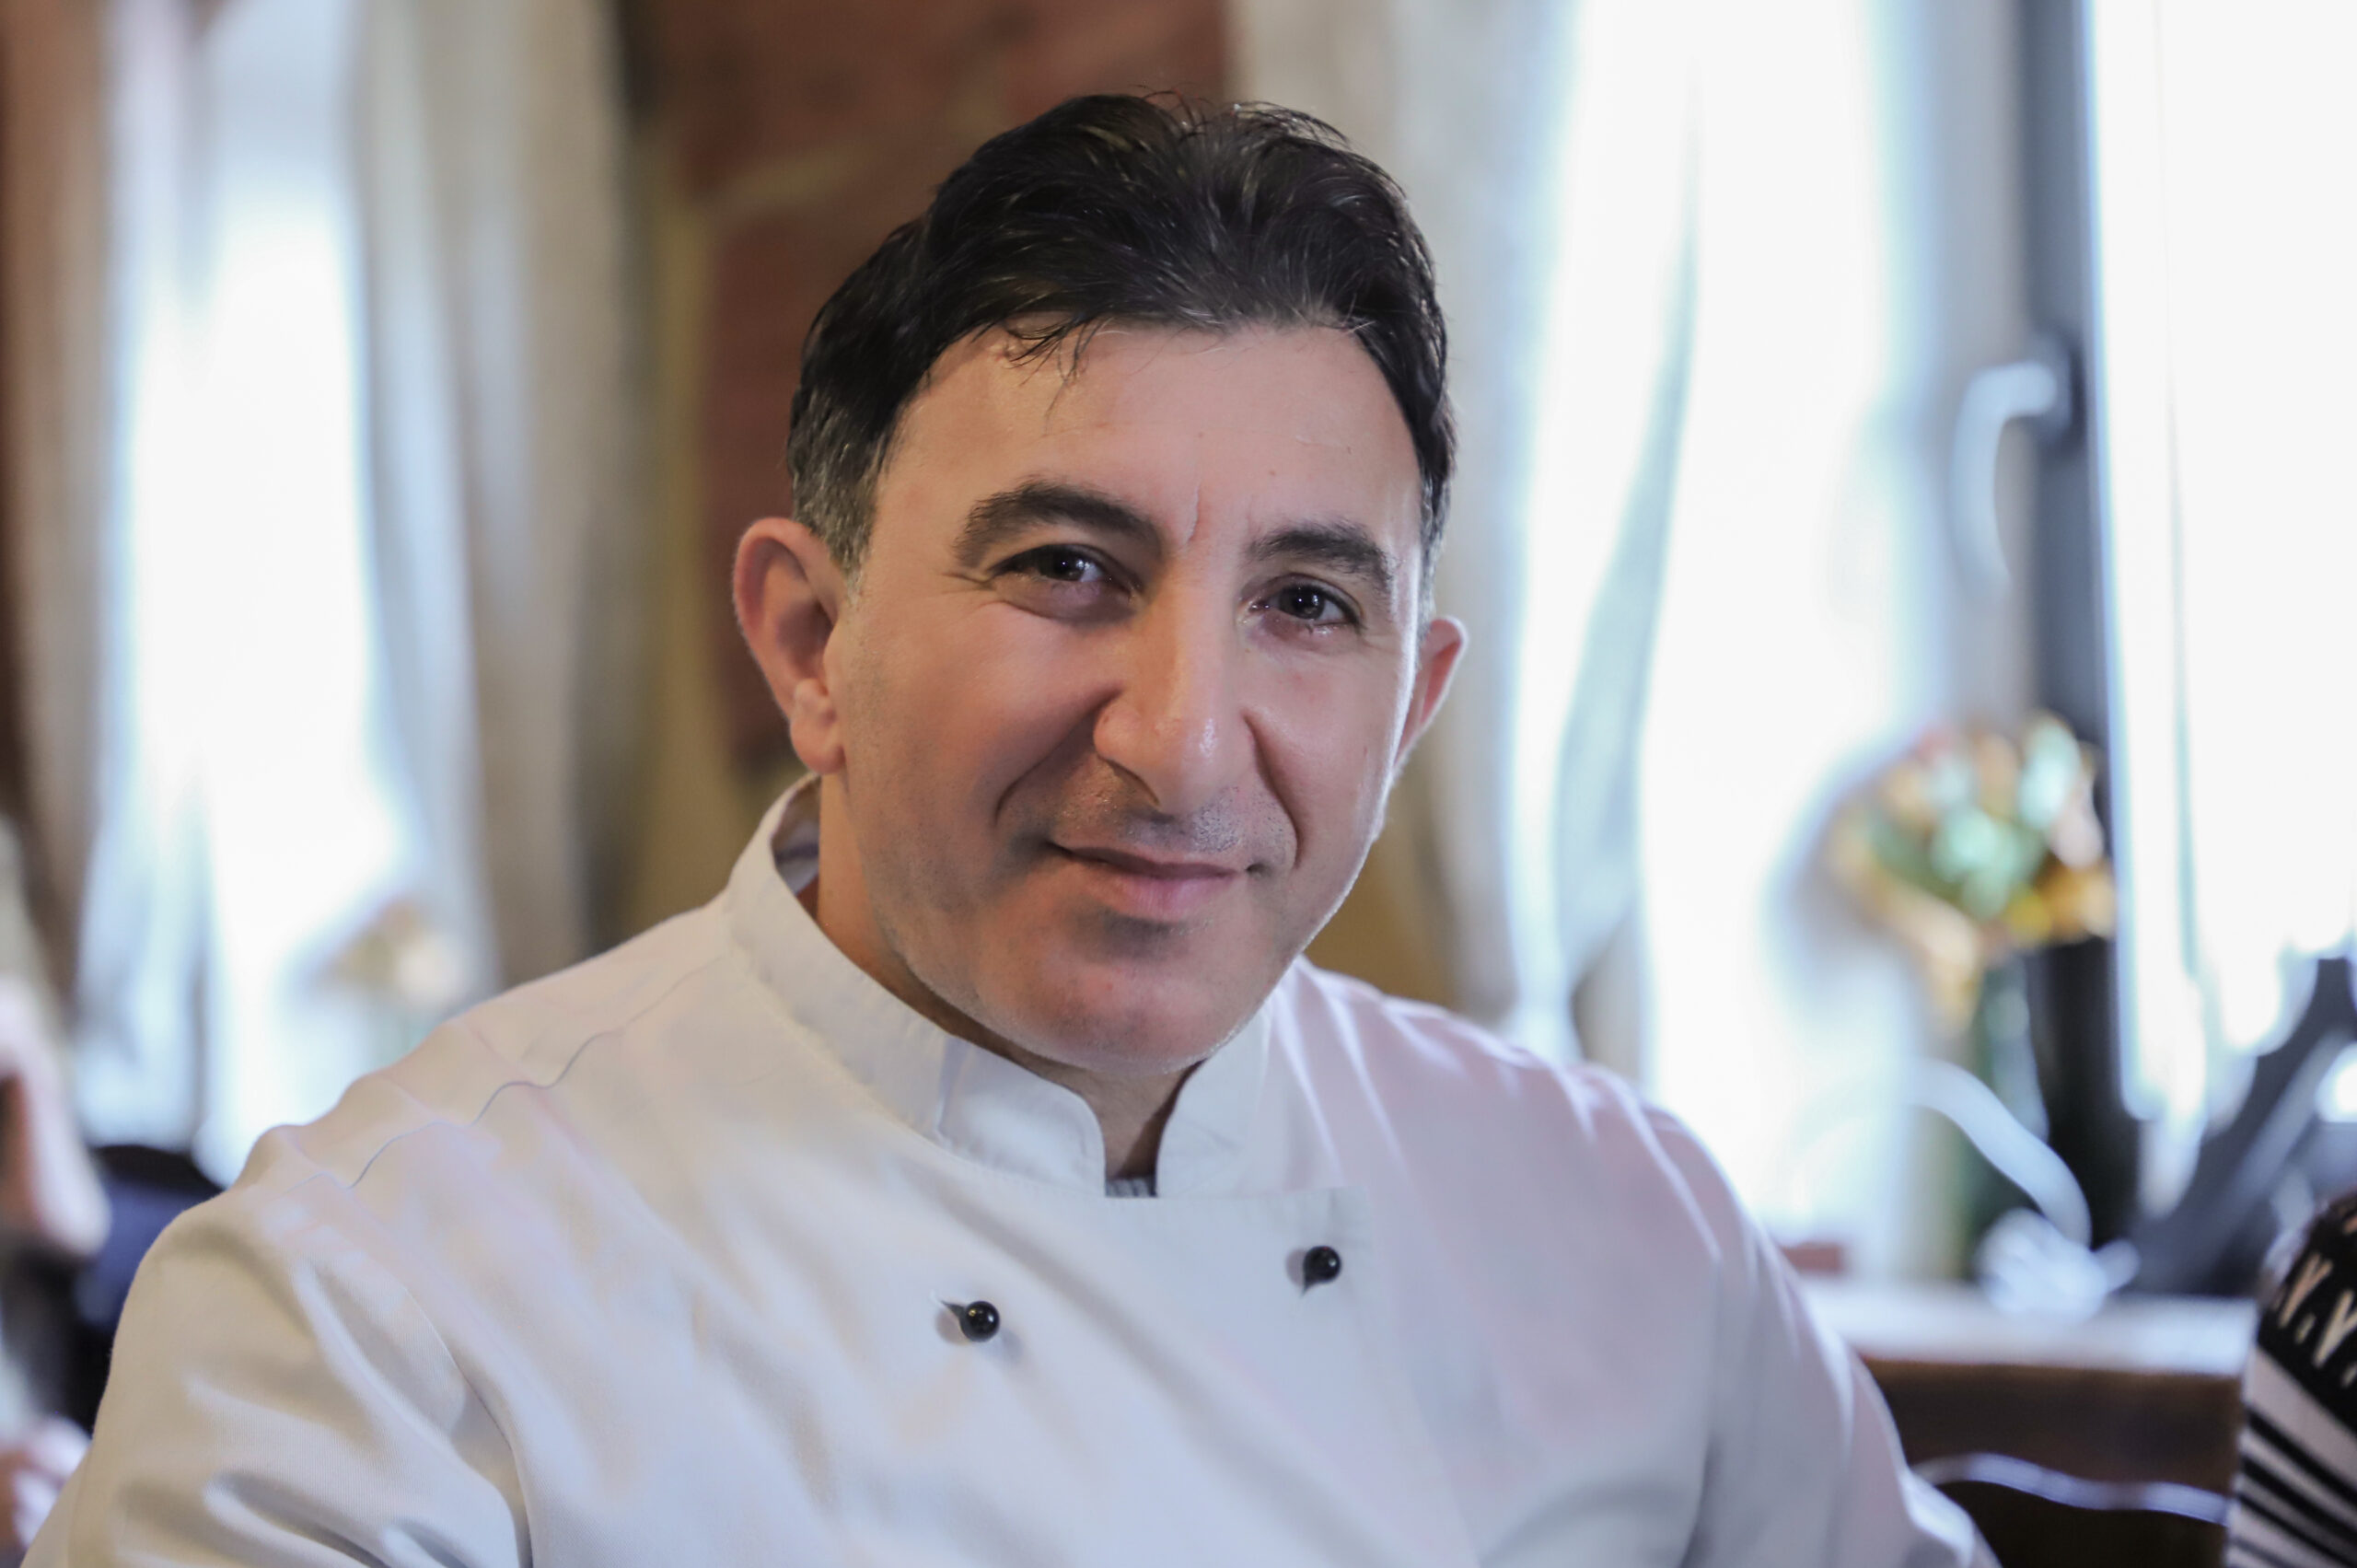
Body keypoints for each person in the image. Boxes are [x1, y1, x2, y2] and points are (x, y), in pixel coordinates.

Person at [30, 96, 1985, 1564]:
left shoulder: (1631, 1231)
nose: (1182, 743)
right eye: (1065, 567)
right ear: (811, 644)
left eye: (1308, 603)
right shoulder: (371, 1315)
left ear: (1413, 705)